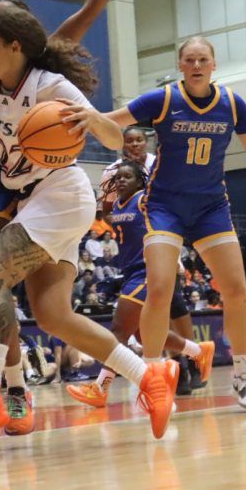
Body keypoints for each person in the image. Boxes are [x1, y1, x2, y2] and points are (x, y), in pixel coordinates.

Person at [0, 3, 174, 441]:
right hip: (30, 198)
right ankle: (149, 377)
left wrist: (95, 120)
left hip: (60, 193)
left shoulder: (51, 87)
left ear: (14, 47)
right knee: (53, 315)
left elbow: (116, 141)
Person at [98, 36, 246, 413]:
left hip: (209, 206)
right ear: (181, 65)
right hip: (166, 205)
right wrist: (75, 120)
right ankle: (154, 379)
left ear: (214, 65)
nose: (197, 65)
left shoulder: (232, 104)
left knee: (236, 289)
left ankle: (242, 375)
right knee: (159, 288)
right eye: (189, 59)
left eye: (203, 59)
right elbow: (110, 122)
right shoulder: (164, 100)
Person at [66, 161, 215, 408]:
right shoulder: (118, 204)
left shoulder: (145, 200)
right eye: (118, 178)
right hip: (130, 272)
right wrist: (105, 188)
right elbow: (106, 213)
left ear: (139, 181)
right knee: (142, 335)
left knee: (118, 331)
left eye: (127, 177)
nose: (121, 180)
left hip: (148, 271)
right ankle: (199, 351)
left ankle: (100, 388)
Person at [98, 126, 156, 211]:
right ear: (122, 144)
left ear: (146, 142)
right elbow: (107, 211)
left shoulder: (158, 164)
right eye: (129, 141)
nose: (135, 144)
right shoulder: (111, 171)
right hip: (123, 218)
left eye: (139, 140)